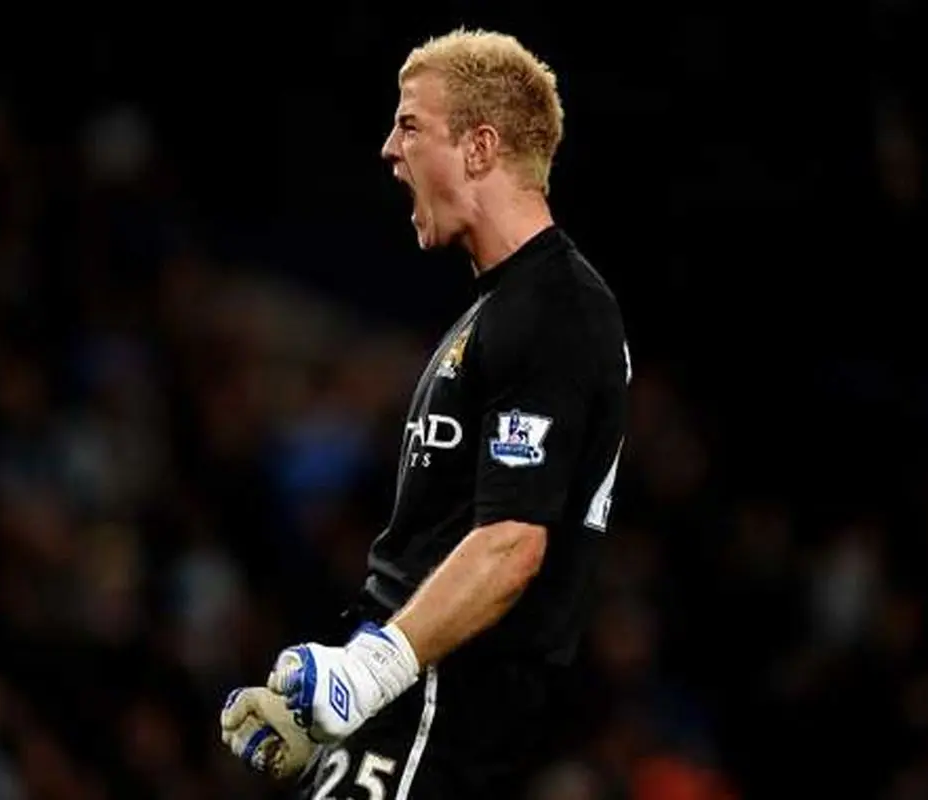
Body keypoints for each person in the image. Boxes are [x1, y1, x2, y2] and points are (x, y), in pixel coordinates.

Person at [221, 27, 631, 799]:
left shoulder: (556, 310)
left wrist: (366, 673)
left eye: (410, 125)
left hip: (440, 715)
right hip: (410, 715)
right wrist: (330, 718)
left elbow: (512, 544)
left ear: (480, 147)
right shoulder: (498, 313)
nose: (388, 149)